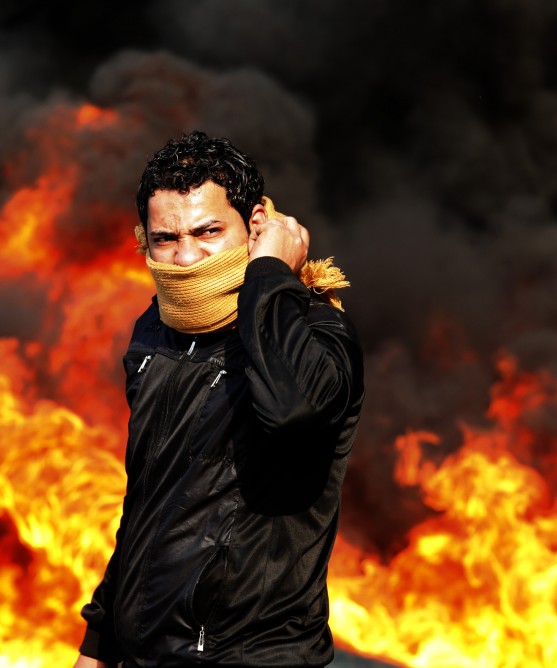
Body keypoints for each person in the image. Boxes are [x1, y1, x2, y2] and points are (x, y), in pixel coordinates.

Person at [75, 131, 364, 667]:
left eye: (208, 231)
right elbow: (149, 499)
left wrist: (270, 275)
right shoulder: (155, 333)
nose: (187, 258)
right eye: (166, 238)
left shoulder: (318, 334)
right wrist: (100, 641)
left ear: (256, 225)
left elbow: (292, 412)